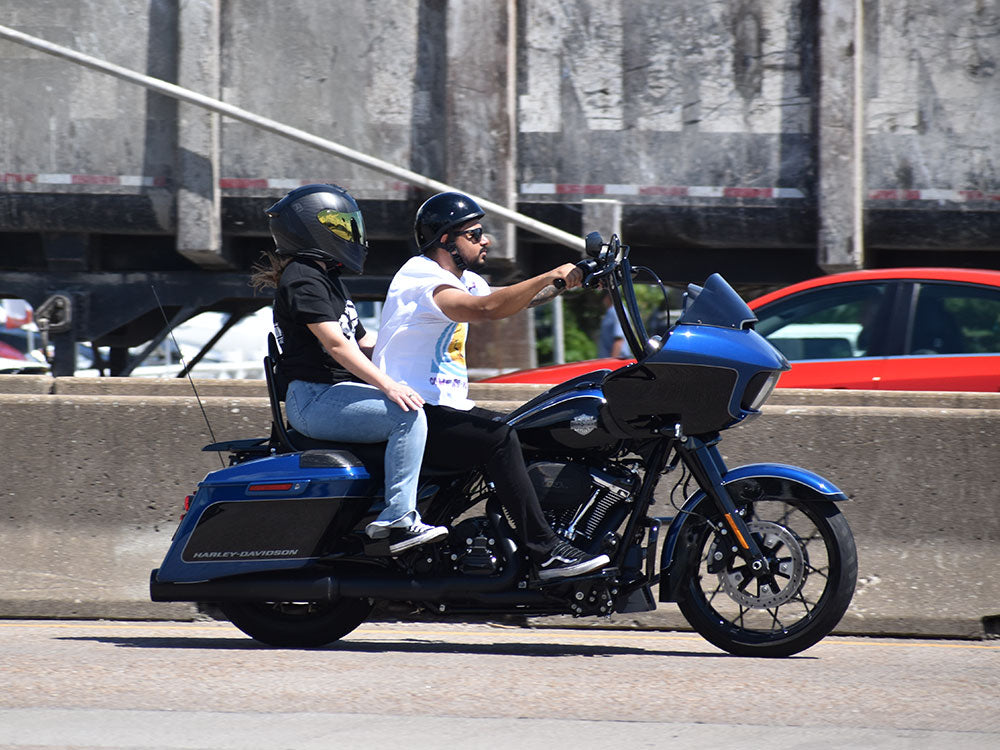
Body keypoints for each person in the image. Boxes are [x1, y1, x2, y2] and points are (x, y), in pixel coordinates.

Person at [372, 191, 611, 580]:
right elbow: (484, 309)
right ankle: (545, 552)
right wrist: (551, 274)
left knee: (526, 429)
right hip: (414, 410)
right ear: (446, 240)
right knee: (499, 438)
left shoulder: (464, 279)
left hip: (443, 408)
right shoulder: (421, 276)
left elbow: (511, 301)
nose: (487, 241)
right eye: (475, 234)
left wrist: (573, 279)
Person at [250, 183, 447, 555]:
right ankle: (398, 520)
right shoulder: (302, 278)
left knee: (422, 407)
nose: (352, 234)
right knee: (406, 416)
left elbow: (363, 342)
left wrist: (421, 347)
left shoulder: (327, 278)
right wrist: (390, 386)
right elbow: (337, 345)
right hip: (315, 399)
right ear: (313, 228)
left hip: (333, 393)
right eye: (340, 226)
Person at [597, 291, 630, 358]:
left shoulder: (616, 311)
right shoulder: (612, 311)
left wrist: (612, 360)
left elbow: (619, 339)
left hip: (617, 359)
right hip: (610, 359)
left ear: (607, 297)